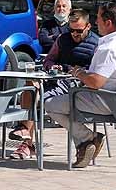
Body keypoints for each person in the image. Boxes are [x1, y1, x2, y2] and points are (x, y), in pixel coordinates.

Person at [43, 1, 116, 167]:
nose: (96, 23)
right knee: (66, 101)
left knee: (50, 104)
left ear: (108, 23)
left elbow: (95, 82)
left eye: (99, 19)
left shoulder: (110, 47)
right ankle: (84, 144)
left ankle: (88, 139)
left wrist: (78, 73)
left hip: (103, 100)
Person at [9, 8, 100, 159]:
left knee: (41, 98)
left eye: (78, 31)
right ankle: (26, 135)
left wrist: (74, 70)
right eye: (71, 30)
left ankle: (27, 139)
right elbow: (49, 59)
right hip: (57, 80)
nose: (74, 35)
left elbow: (95, 71)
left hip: (78, 85)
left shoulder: (96, 44)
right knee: (31, 85)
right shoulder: (63, 39)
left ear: (88, 26)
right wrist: (51, 66)